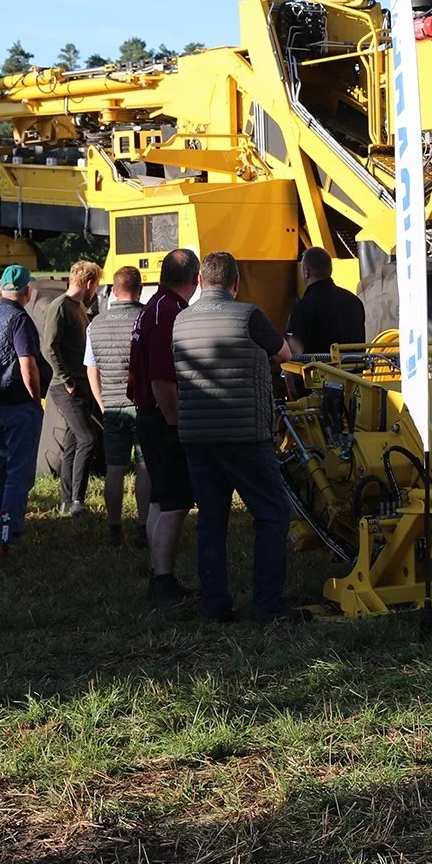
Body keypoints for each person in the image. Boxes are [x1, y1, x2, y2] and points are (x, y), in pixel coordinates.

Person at [172, 250, 296, 623]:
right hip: (245, 435)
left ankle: (215, 605)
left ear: (199, 282)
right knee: (273, 514)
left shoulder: (180, 321)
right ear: (235, 284)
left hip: (197, 436)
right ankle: (268, 605)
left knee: (211, 521)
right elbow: (284, 353)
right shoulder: (248, 315)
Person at [128, 248, 200, 604]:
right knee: (175, 503)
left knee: (160, 500)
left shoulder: (153, 307)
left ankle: (158, 574)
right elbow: (161, 377)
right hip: (162, 417)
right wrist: (177, 424)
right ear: (196, 279)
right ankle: (164, 581)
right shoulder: (169, 312)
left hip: (148, 415)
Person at [0, 264, 47, 547]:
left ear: (2, 289)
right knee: (19, 473)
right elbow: (28, 366)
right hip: (17, 404)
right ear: (27, 291)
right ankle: (10, 532)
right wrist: (36, 399)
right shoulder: (20, 321)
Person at [84, 264, 148, 546]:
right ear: (140, 289)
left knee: (115, 468)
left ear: (113, 289)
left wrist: (102, 402)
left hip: (112, 406)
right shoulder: (147, 319)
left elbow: (91, 369)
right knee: (145, 467)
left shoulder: (95, 324)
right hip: (144, 406)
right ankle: (144, 527)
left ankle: (114, 528)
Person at [41, 260, 104, 516]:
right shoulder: (60, 307)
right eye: (96, 285)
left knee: (71, 443)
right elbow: (49, 347)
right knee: (87, 439)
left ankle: (66, 502)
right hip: (65, 387)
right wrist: (66, 380)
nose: (96, 291)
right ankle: (77, 500)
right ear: (88, 283)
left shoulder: (78, 307)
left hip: (79, 384)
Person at [284, 245, 366, 359]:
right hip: (354, 374)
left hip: (320, 374)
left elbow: (294, 351)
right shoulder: (354, 301)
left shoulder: (304, 307)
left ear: (306, 272)